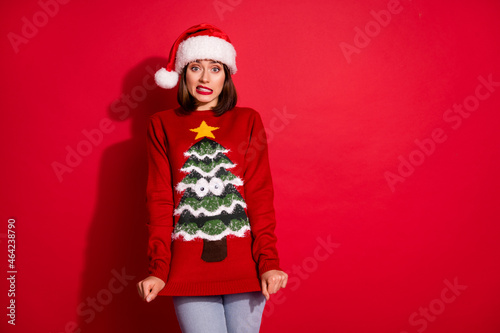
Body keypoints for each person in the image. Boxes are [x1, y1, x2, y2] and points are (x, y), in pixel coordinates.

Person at [136, 23, 288, 333]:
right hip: (187, 271)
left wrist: (269, 262)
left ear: (226, 74)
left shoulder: (248, 120)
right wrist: (158, 270)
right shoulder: (161, 124)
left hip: (246, 269)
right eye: (196, 67)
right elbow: (160, 200)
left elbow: (258, 195)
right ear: (183, 73)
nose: (205, 78)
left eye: (215, 68)